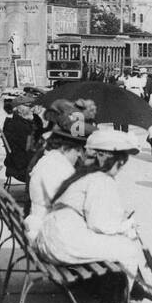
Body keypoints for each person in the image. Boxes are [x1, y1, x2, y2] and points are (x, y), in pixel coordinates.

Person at [34, 128, 148, 303]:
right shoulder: (101, 180)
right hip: (63, 241)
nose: (119, 168)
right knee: (127, 248)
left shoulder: (83, 175)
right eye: (120, 163)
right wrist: (125, 226)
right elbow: (100, 224)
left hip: (53, 234)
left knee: (119, 245)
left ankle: (129, 291)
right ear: (107, 158)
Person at [26, 100, 94, 239]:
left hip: (46, 226)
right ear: (64, 148)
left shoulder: (52, 160)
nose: (80, 155)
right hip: (51, 233)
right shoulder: (56, 168)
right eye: (77, 150)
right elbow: (72, 206)